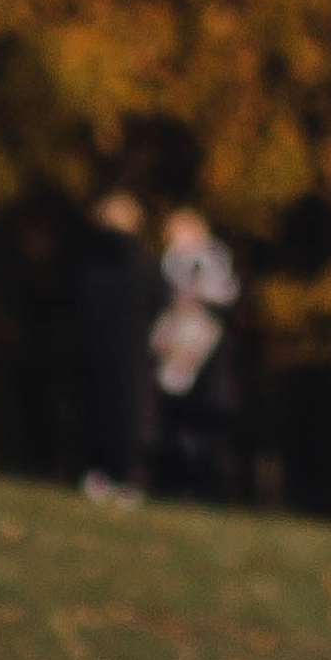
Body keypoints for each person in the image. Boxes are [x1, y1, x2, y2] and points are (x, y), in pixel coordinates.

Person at [149, 204, 244, 503]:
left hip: (206, 365)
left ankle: (209, 489)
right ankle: (183, 484)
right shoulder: (171, 265)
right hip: (184, 356)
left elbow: (225, 298)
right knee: (180, 426)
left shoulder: (211, 264)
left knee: (205, 433)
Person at [73, 188, 160, 506]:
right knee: (127, 415)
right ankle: (126, 478)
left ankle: (102, 475)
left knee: (102, 412)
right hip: (131, 351)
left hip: (101, 348)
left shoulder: (88, 260)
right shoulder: (140, 263)